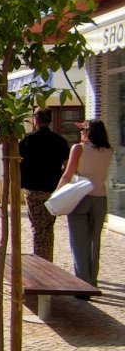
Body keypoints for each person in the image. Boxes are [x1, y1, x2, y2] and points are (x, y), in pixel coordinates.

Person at [56, 119, 113, 289]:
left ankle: (82, 284)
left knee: (79, 241)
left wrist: (56, 195)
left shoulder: (78, 148)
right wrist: (86, 127)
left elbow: (68, 174)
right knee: (94, 240)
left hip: (80, 196)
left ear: (88, 132)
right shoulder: (109, 150)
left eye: (83, 131)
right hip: (100, 197)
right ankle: (93, 281)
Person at [19, 108, 70, 261]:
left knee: (37, 227)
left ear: (36, 120)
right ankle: (47, 259)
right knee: (48, 227)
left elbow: (17, 161)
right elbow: (67, 164)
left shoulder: (28, 140)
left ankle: (40, 260)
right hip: (52, 189)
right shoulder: (59, 141)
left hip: (33, 189)